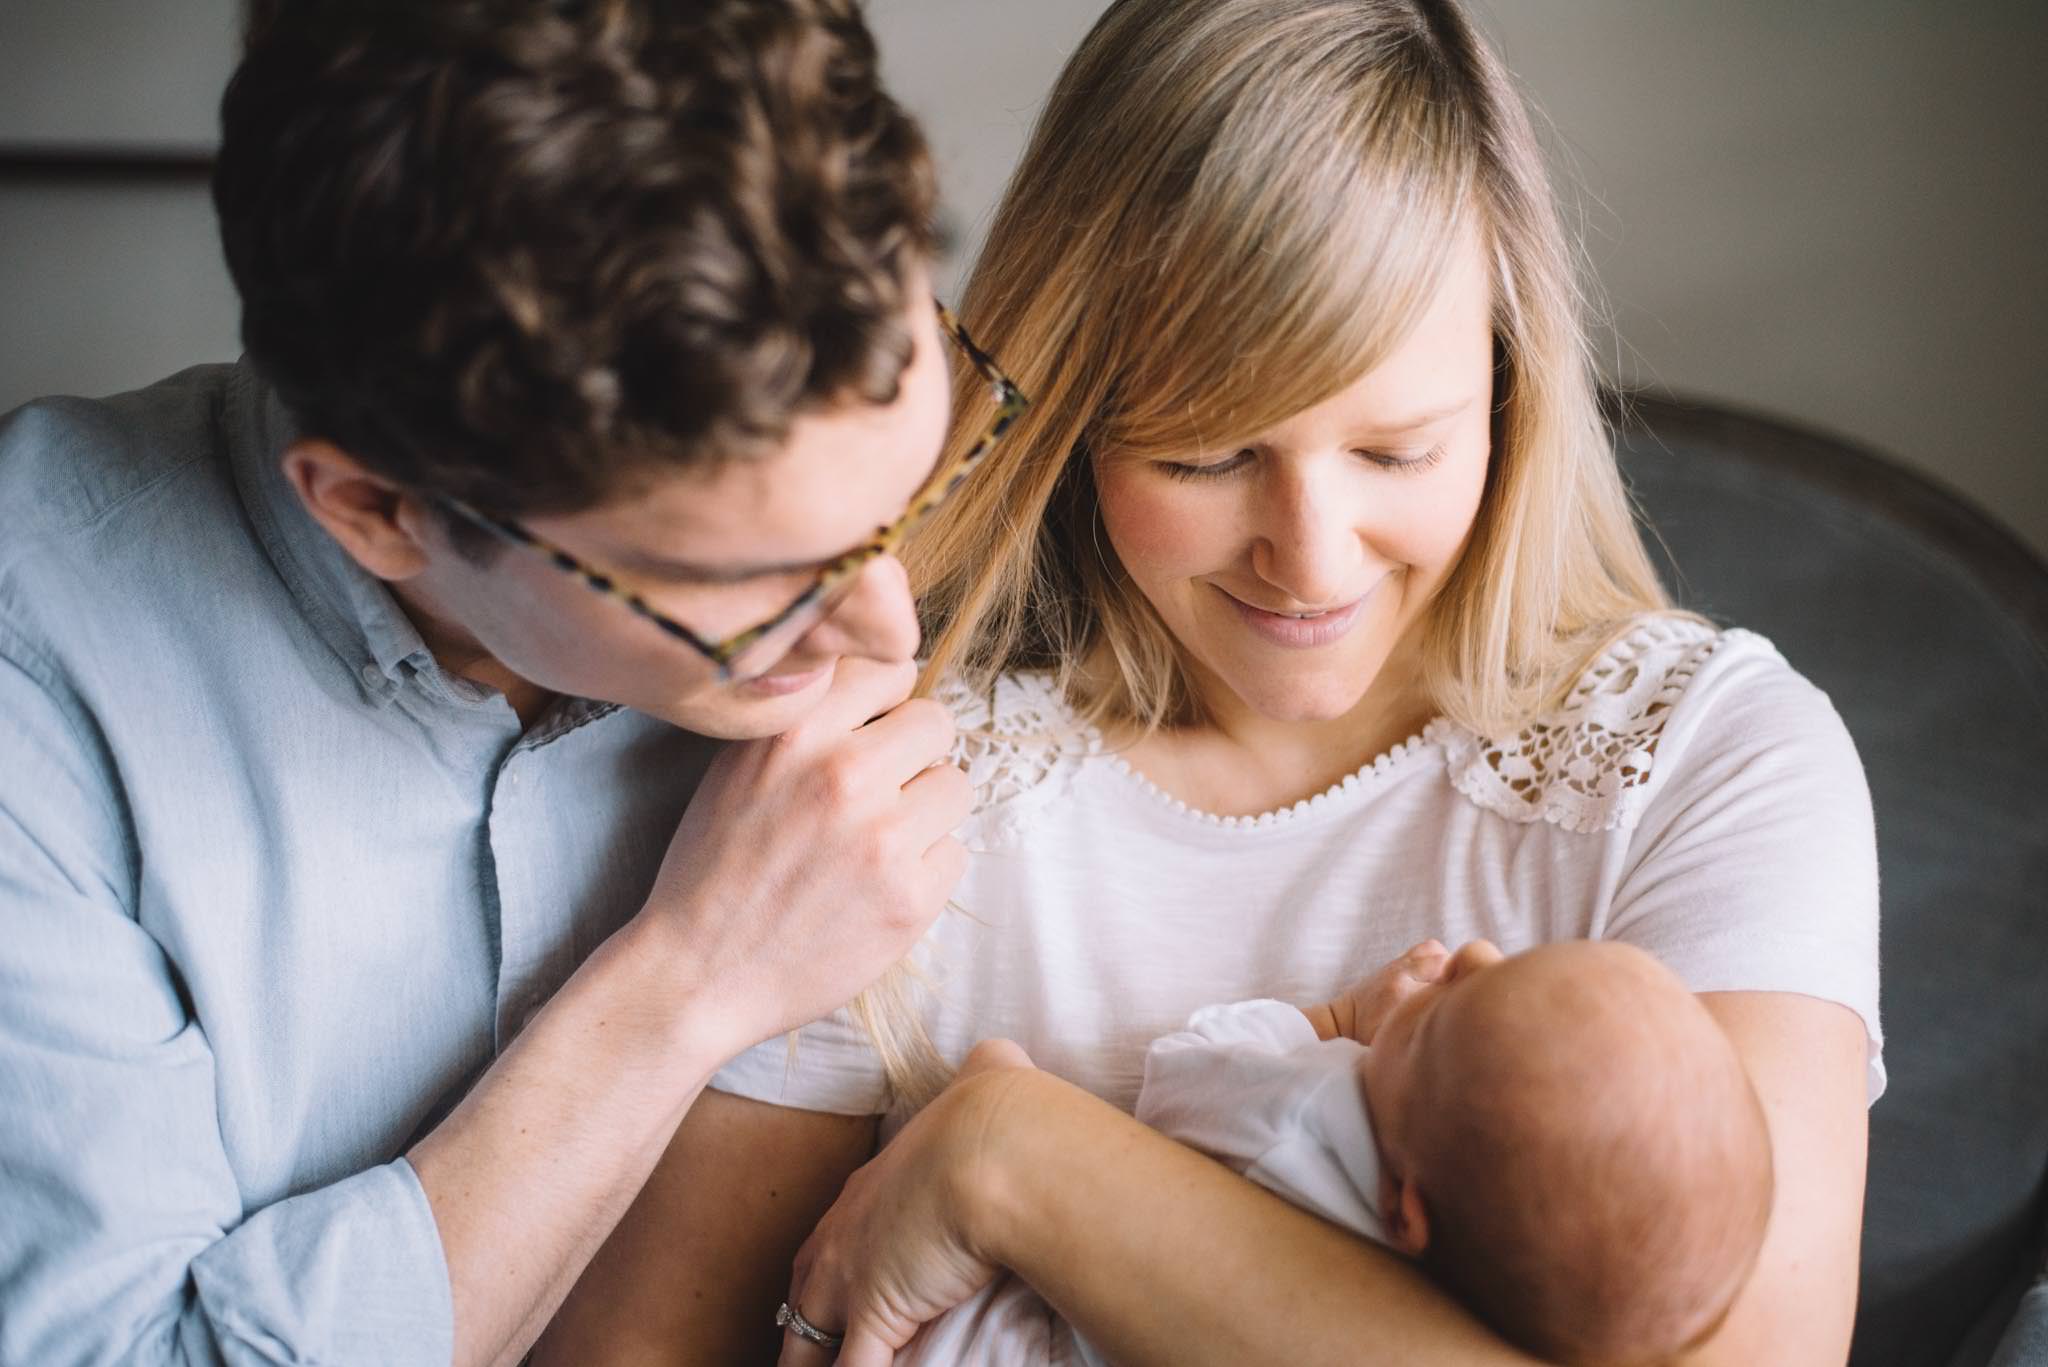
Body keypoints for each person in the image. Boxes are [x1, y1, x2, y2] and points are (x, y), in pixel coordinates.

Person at [542, 1, 1881, 1364]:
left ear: (1508, 386)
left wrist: (1019, 1160)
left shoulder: (1706, 760)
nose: (1308, 559)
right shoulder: (902, 783)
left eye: (1398, 450)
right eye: (1207, 455)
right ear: (1073, 407)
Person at [0, 2, 1016, 1363]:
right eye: (748, 585)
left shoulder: (1027, 540)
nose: (886, 624)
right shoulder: (40, 669)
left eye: (908, 486)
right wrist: (688, 980)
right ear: (372, 507)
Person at [897, 939, 1776, 1367]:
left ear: (1405, 1207)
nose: (1470, 953)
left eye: (1439, 1017)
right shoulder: (1499, 1282)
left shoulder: (1305, 1112)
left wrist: (1336, 1024)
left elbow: (1182, 1074)